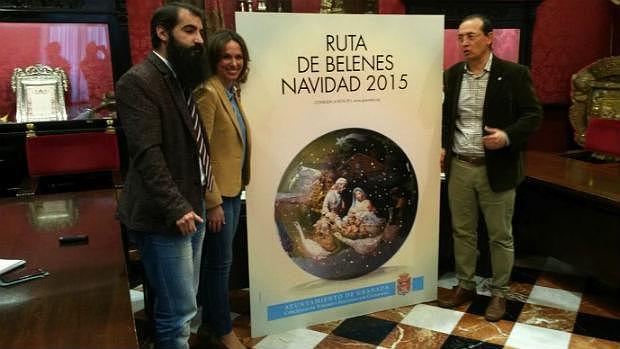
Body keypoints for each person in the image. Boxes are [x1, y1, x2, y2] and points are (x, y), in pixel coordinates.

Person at [115, 3, 209, 349]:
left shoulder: (179, 78)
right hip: (164, 217)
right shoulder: (139, 81)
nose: (199, 39)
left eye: (200, 31)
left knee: (184, 306)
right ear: (163, 32)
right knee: (177, 311)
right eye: (190, 30)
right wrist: (176, 207)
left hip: (190, 206)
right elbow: (147, 153)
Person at [438, 14, 542, 322]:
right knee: (462, 231)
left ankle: (499, 293)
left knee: (499, 235)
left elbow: (534, 116)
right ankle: (466, 285)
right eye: (460, 37)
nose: (464, 43)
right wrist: (443, 145)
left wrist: (507, 136)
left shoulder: (513, 74)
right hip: (460, 166)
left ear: (489, 37)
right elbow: (446, 119)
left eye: (471, 36)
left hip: (495, 168)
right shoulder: (453, 74)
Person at [193, 29, 252, 349]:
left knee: (216, 263)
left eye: (239, 56)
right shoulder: (208, 92)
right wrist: (212, 201)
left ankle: (207, 326)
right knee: (219, 266)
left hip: (231, 190)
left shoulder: (230, 92)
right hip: (217, 196)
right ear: (214, 59)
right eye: (226, 56)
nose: (233, 62)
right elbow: (198, 150)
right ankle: (224, 331)